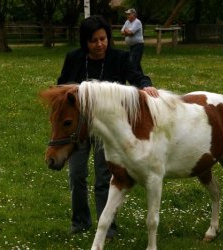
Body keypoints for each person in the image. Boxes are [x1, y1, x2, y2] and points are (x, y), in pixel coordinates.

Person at [57, 15, 158, 238]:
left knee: (105, 178)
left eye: (103, 39)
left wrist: (146, 86)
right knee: (76, 175)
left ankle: (108, 226)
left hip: (108, 128)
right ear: (85, 41)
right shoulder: (74, 58)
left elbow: (136, 76)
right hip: (80, 128)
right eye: (94, 40)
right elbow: (62, 87)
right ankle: (80, 222)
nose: (100, 44)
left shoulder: (119, 58)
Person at [121, 8, 144, 74]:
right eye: (127, 14)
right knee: (136, 63)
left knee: (133, 62)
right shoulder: (127, 22)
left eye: (129, 14)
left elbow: (131, 33)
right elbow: (122, 32)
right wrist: (127, 31)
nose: (127, 16)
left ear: (134, 15)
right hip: (132, 46)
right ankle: (142, 79)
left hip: (138, 45)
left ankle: (137, 79)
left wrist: (127, 31)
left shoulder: (137, 22)